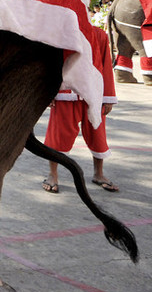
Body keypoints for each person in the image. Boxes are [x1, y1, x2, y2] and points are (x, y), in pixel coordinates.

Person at [42, 27, 119, 193]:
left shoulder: (100, 35)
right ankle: (52, 174)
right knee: (57, 136)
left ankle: (99, 174)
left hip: (93, 93)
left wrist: (108, 96)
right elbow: (52, 62)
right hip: (65, 93)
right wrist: (49, 92)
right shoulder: (62, 30)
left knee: (98, 135)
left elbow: (106, 65)